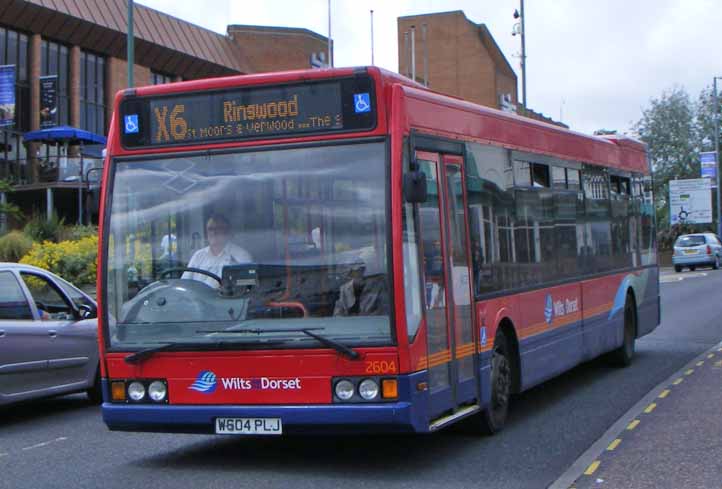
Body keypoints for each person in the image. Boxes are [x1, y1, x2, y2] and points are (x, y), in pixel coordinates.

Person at [181, 213, 253, 288]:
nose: (214, 232)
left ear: (228, 232)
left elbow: (249, 283)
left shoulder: (241, 255)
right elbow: (184, 283)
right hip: (197, 299)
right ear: (206, 233)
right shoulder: (198, 255)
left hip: (226, 298)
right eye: (210, 229)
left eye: (218, 228)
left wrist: (230, 284)